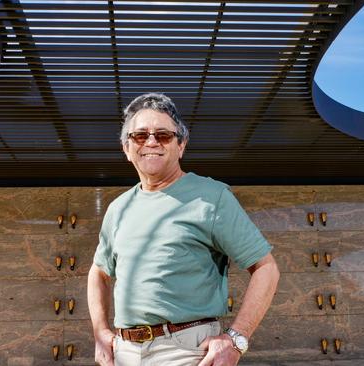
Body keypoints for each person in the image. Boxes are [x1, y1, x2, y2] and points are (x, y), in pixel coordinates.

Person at [87, 93, 280, 366]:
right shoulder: (118, 208)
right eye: (140, 136)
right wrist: (100, 331)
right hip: (125, 353)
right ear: (127, 148)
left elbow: (266, 268)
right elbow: (99, 272)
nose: (151, 142)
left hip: (186, 351)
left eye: (163, 135)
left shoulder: (212, 197)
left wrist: (237, 338)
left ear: (181, 145)